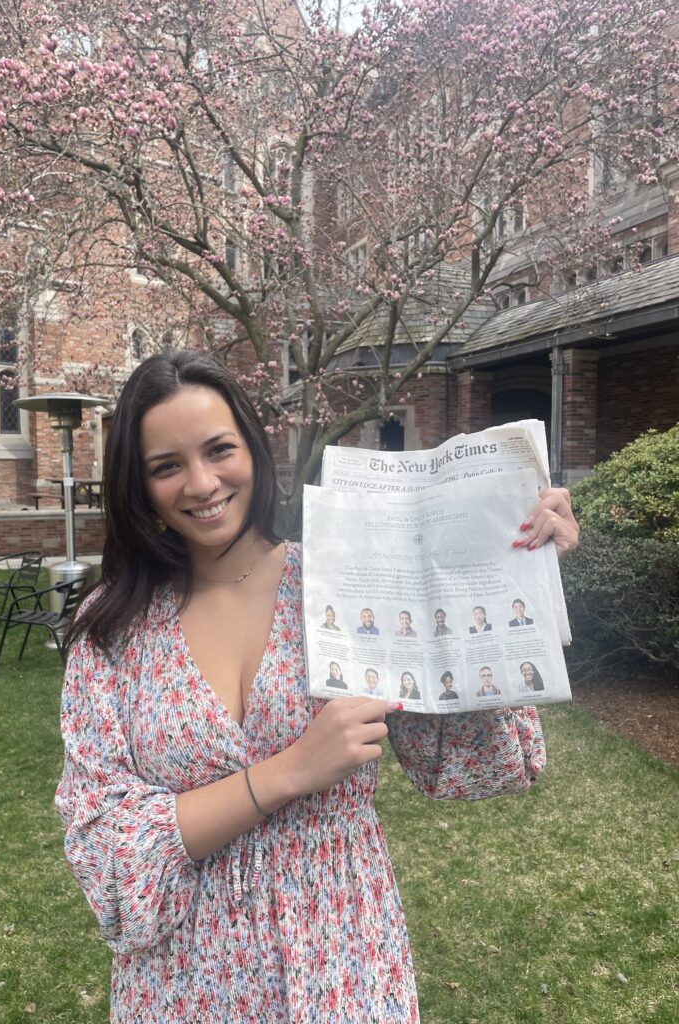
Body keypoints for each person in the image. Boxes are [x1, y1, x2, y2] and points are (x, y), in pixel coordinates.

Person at [55, 350, 579, 1024]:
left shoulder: (343, 585)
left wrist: (514, 571)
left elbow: (468, 762)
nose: (201, 482)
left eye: (219, 450)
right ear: (140, 484)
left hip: (340, 954)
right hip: (184, 979)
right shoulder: (114, 627)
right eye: (166, 466)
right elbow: (105, 846)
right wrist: (290, 771)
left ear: (254, 449)